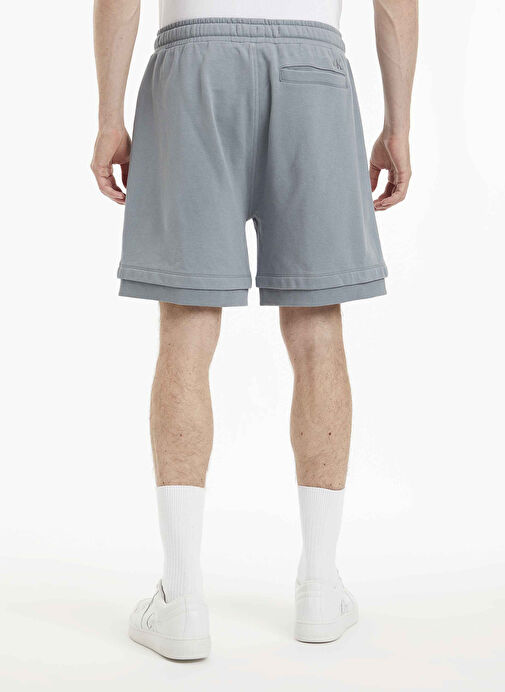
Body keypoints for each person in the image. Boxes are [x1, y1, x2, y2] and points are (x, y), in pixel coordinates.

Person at [91, 0, 418, 661]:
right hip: (314, 69)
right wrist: (398, 125)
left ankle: (181, 600)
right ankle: (319, 588)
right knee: (317, 325)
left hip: (194, 67)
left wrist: (108, 118)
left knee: (186, 325)